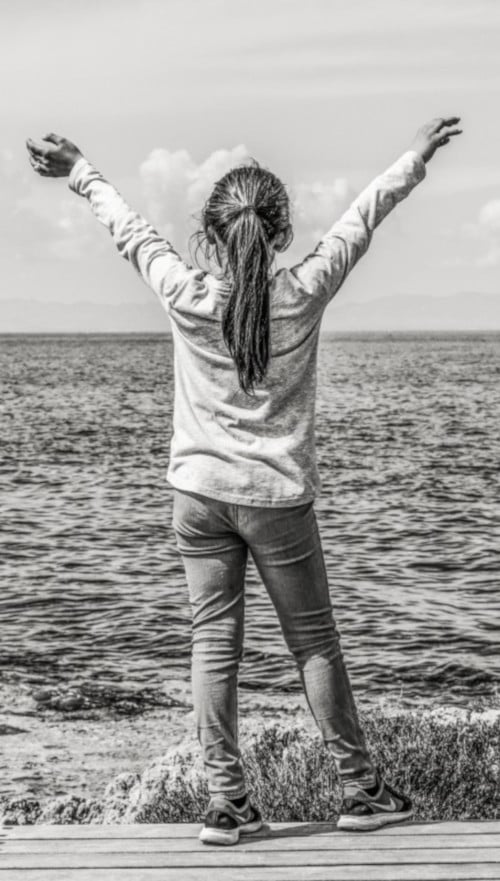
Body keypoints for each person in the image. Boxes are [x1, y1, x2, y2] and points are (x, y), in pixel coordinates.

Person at [26, 115, 462, 844]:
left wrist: (79, 169)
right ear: (280, 231)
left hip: (197, 496)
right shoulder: (305, 290)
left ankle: (227, 803)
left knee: (212, 644)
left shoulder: (186, 293)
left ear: (211, 231)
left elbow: (129, 229)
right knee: (314, 642)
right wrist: (413, 158)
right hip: (277, 499)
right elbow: (362, 219)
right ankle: (361, 788)